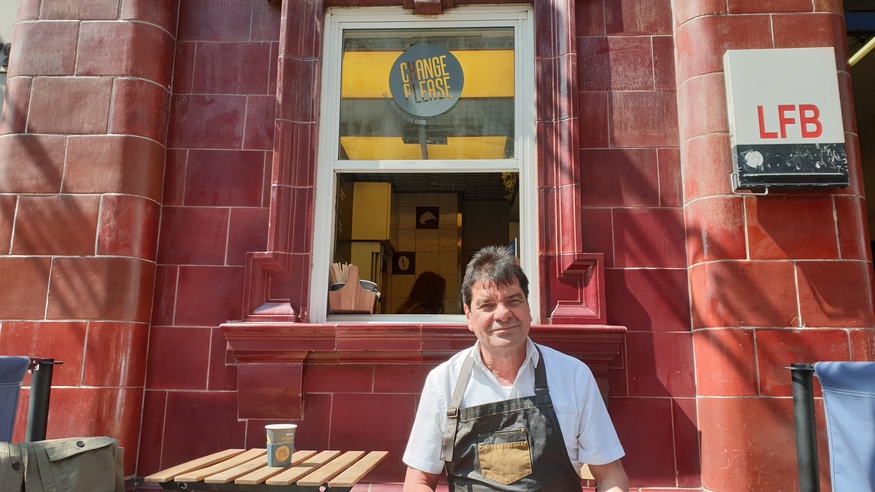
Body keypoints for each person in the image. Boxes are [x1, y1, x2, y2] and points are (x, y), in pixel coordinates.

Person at [402, 245, 628, 491]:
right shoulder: (443, 382)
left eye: (513, 300)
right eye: (487, 305)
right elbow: (420, 480)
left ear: (528, 308)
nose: (503, 314)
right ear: (468, 315)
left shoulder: (574, 376)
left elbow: (610, 477)